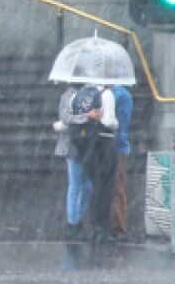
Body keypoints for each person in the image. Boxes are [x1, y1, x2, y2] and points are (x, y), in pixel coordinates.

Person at [69, 83, 119, 243]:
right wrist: (116, 123)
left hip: (87, 146)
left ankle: (92, 228)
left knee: (94, 185)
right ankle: (101, 228)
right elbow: (109, 121)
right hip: (104, 145)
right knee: (105, 188)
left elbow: (71, 119)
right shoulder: (107, 94)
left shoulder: (77, 95)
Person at [52, 84, 92, 241]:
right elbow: (66, 118)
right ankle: (73, 223)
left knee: (87, 185)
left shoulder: (88, 95)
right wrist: (87, 117)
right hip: (73, 145)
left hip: (85, 146)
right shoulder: (67, 96)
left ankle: (77, 219)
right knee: (76, 184)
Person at [110, 84, 134, 241]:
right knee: (116, 186)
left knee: (117, 186)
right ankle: (115, 225)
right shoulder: (116, 93)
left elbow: (122, 124)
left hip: (116, 147)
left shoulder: (120, 95)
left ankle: (118, 227)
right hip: (114, 146)